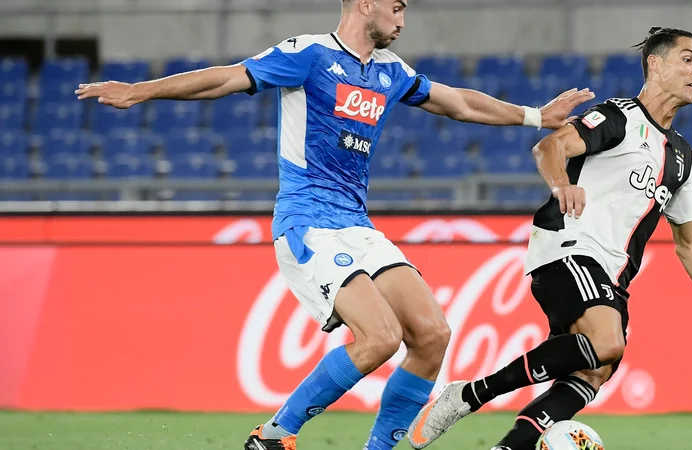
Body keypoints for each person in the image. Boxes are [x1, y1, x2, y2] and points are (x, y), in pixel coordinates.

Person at [76, 1, 594, 449]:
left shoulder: (389, 71)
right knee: (380, 337)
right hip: (307, 220)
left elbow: (456, 101)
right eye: (397, 7)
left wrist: (533, 115)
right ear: (365, 4)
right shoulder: (307, 54)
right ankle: (274, 435)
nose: (403, 19)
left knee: (433, 335)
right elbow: (227, 78)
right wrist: (142, 90)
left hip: (357, 225)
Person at [407, 27, 692, 450]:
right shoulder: (619, 117)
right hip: (569, 246)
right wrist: (561, 186)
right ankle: (469, 395)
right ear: (655, 64)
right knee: (606, 341)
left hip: (612, 277)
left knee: (594, 371)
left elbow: (690, 244)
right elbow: (549, 148)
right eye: (688, 59)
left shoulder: (684, 157)